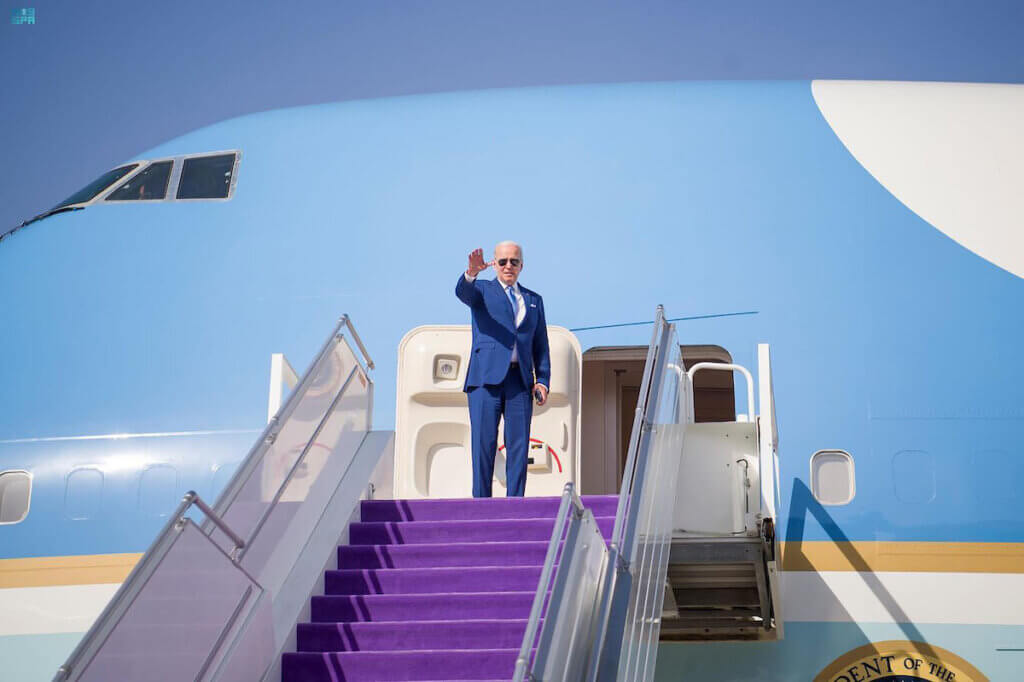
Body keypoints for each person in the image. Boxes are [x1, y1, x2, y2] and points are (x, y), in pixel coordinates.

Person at [456, 241, 550, 497]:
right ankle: (481, 505)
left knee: (519, 446)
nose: (509, 266)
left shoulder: (533, 300)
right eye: (503, 261)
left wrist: (542, 379)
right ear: (494, 264)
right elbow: (463, 293)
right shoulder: (482, 290)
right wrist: (471, 274)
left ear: (522, 266)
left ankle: (515, 503)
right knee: (483, 444)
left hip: (519, 381)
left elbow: (540, 344)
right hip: (485, 379)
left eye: (514, 261)